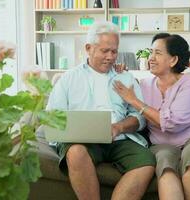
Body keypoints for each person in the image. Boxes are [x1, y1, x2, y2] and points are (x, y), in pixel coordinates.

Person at [46, 21, 156, 200]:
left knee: (146, 162)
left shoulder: (125, 77)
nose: (111, 57)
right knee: (75, 153)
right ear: (89, 48)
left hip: (120, 139)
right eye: (105, 51)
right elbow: (52, 118)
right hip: (82, 141)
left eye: (114, 51)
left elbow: (140, 117)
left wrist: (118, 127)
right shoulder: (68, 79)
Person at [113, 33, 190, 200]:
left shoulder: (189, 83)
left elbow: (172, 123)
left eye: (157, 53)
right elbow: (122, 89)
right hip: (162, 144)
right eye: (151, 52)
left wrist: (135, 101)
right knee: (165, 166)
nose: (151, 58)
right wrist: (120, 73)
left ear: (173, 60)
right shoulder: (144, 85)